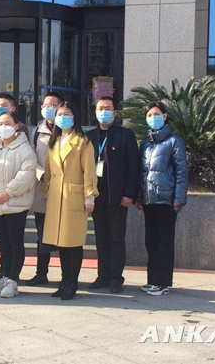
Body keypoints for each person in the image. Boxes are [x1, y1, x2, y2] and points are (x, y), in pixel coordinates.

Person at [42, 101, 98, 301]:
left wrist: (89, 196)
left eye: (66, 114)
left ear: (74, 118)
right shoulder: (54, 141)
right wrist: (45, 186)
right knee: (61, 244)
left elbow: (89, 170)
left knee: (72, 243)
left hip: (74, 196)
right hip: (56, 197)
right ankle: (64, 281)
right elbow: (48, 168)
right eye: (59, 114)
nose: (62, 117)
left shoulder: (83, 141)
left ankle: (72, 282)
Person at [0, 111, 37, 298]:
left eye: (8, 123)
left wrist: (8, 193)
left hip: (15, 204)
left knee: (15, 242)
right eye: (1, 123)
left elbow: (26, 175)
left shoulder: (25, 150)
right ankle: (4, 276)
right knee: (3, 242)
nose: (4, 127)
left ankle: (13, 280)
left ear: (17, 126)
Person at [86, 96, 140, 293]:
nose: (104, 112)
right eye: (100, 108)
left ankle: (116, 278)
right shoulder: (90, 136)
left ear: (115, 113)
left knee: (116, 237)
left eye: (108, 108)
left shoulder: (125, 135)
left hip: (118, 196)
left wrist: (129, 194)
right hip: (96, 195)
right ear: (95, 112)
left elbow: (133, 166)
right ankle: (103, 276)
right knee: (101, 236)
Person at [135, 101, 188, 296]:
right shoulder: (146, 143)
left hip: (167, 200)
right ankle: (153, 280)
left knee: (164, 242)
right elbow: (141, 172)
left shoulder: (174, 141)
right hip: (149, 201)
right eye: (149, 115)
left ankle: (162, 283)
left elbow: (181, 172)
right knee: (151, 241)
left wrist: (178, 198)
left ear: (165, 117)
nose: (153, 118)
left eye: (156, 114)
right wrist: (139, 196)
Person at [21, 91, 63, 286]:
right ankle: (41, 273)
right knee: (42, 234)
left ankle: (67, 276)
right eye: (46, 105)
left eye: (53, 105)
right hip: (42, 188)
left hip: (63, 189)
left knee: (64, 235)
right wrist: (41, 174)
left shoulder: (68, 129)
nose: (49, 108)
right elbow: (31, 156)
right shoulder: (36, 131)